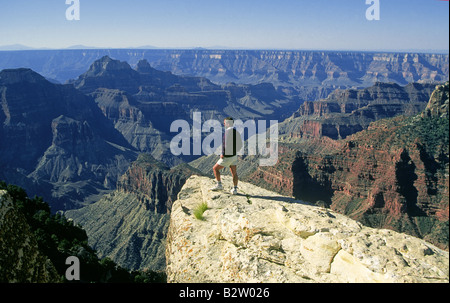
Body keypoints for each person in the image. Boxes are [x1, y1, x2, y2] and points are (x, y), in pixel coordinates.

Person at [210, 117, 242, 194]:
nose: (223, 124)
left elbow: (225, 144)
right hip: (234, 156)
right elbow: (240, 144)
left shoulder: (228, 132)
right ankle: (235, 189)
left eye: (224, 123)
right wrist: (234, 151)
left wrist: (223, 154)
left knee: (215, 169)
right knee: (234, 172)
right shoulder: (235, 131)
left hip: (227, 156)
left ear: (227, 123)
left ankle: (219, 185)